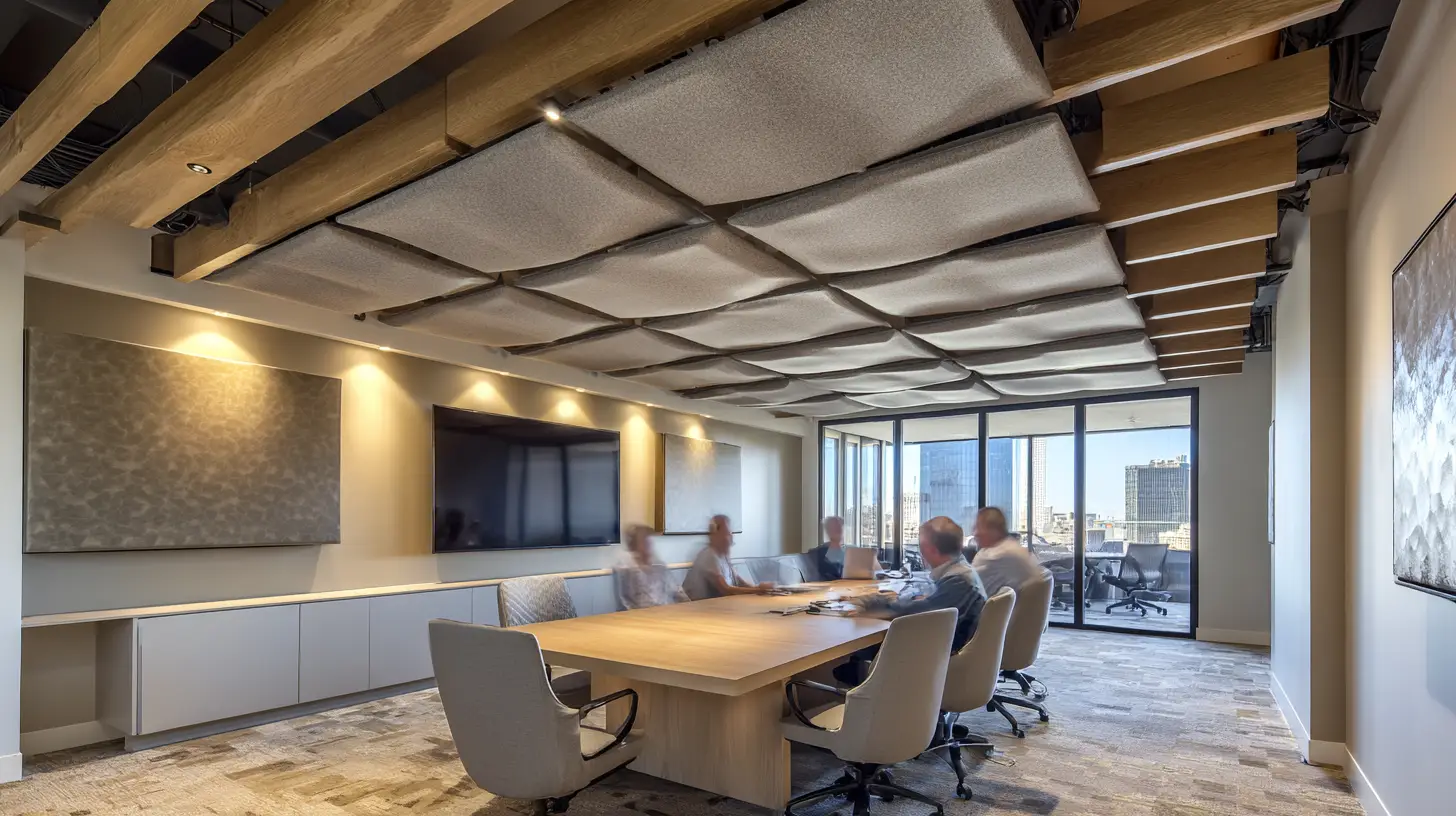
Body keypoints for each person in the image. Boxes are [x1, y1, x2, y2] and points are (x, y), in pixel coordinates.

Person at [833, 516, 987, 685]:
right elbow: (929, 606)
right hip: (949, 655)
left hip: (938, 666)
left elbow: (911, 612)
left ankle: (862, 694)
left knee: (860, 647)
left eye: (922, 546)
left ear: (930, 549)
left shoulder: (958, 581)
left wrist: (868, 604)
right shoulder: (961, 572)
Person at [681, 514, 774, 600]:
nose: (730, 537)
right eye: (727, 534)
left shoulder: (723, 556)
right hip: (697, 610)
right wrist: (758, 590)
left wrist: (759, 588)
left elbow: (738, 580)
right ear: (715, 535)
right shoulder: (709, 555)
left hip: (716, 608)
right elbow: (726, 590)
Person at [971, 507, 1044, 597]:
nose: (975, 533)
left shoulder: (994, 556)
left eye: (979, 527)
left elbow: (970, 589)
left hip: (994, 610)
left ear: (995, 530)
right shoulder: (1014, 548)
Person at [615, 524, 688, 609]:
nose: (649, 544)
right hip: (640, 616)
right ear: (633, 545)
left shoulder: (659, 565)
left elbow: (676, 590)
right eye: (644, 541)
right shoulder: (627, 569)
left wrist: (689, 605)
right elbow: (624, 602)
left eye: (649, 541)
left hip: (664, 612)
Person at [805, 516, 846, 580]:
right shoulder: (816, 554)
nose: (838, 530)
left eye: (839, 527)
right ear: (827, 531)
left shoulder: (851, 552)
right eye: (834, 528)